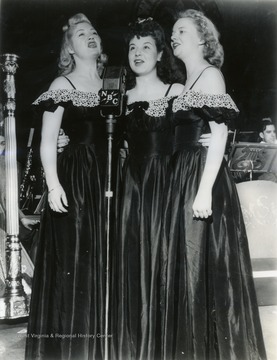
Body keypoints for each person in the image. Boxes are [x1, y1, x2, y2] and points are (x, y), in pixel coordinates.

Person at [162, 9, 267, 360]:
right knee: (188, 264)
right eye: (173, 31)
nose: (173, 36)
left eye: (181, 30)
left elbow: (219, 134)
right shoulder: (185, 83)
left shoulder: (210, 76)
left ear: (202, 38)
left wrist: (204, 189)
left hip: (201, 178)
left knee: (199, 263)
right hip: (182, 175)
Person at [25, 13, 108, 360]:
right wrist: (54, 184)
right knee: (76, 262)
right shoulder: (63, 86)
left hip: (110, 179)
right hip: (75, 180)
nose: (89, 36)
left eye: (93, 32)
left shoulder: (114, 83)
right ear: (70, 48)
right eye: (80, 34)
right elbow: (47, 141)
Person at [115, 18, 185, 360]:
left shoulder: (176, 92)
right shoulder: (120, 97)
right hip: (131, 186)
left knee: (162, 258)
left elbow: (195, 135)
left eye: (146, 47)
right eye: (132, 47)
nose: (137, 53)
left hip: (165, 183)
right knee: (133, 260)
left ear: (160, 54)